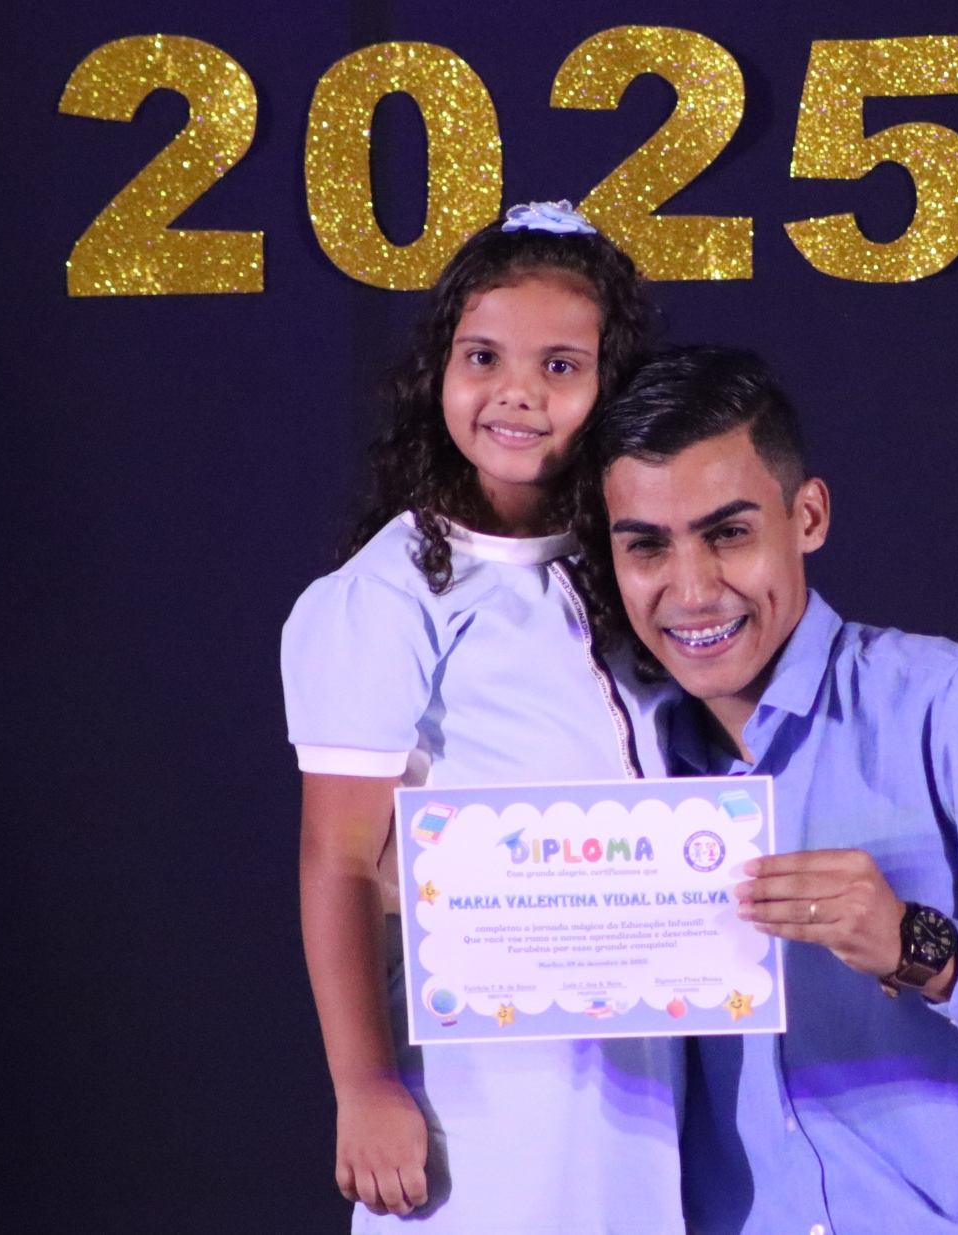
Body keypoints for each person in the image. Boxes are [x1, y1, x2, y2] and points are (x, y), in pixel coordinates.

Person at [573, 346, 958, 1235]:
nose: (692, 589)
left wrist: (921, 947)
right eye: (647, 545)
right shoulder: (617, 770)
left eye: (728, 533)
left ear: (808, 516)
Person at [280, 203, 683, 1235]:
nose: (517, 391)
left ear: (610, 386)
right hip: (487, 1065)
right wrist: (364, 1083)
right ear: (440, 371)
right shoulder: (393, 591)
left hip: (642, 1050)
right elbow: (338, 855)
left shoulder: (628, 564)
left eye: (561, 366)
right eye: (484, 357)